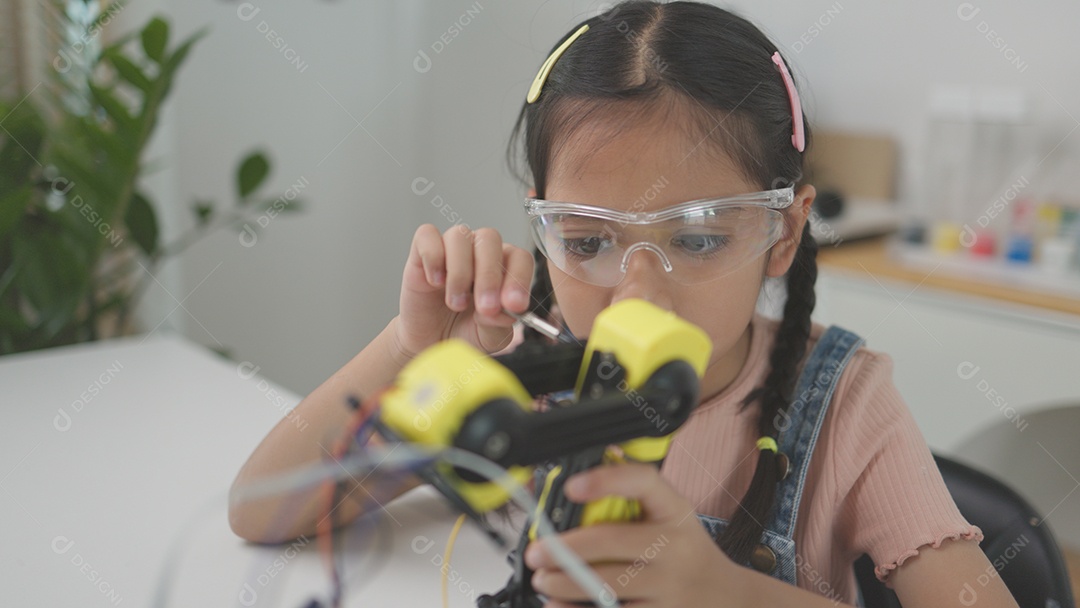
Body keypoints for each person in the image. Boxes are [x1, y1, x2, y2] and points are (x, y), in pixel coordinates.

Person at [230, 2, 1020, 606]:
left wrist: (723, 590)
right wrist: (411, 346)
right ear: (543, 224)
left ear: (782, 235)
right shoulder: (520, 367)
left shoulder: (848, 401)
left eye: (701, 238)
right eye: (586, 242)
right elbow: (261, 512)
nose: (636, 293)